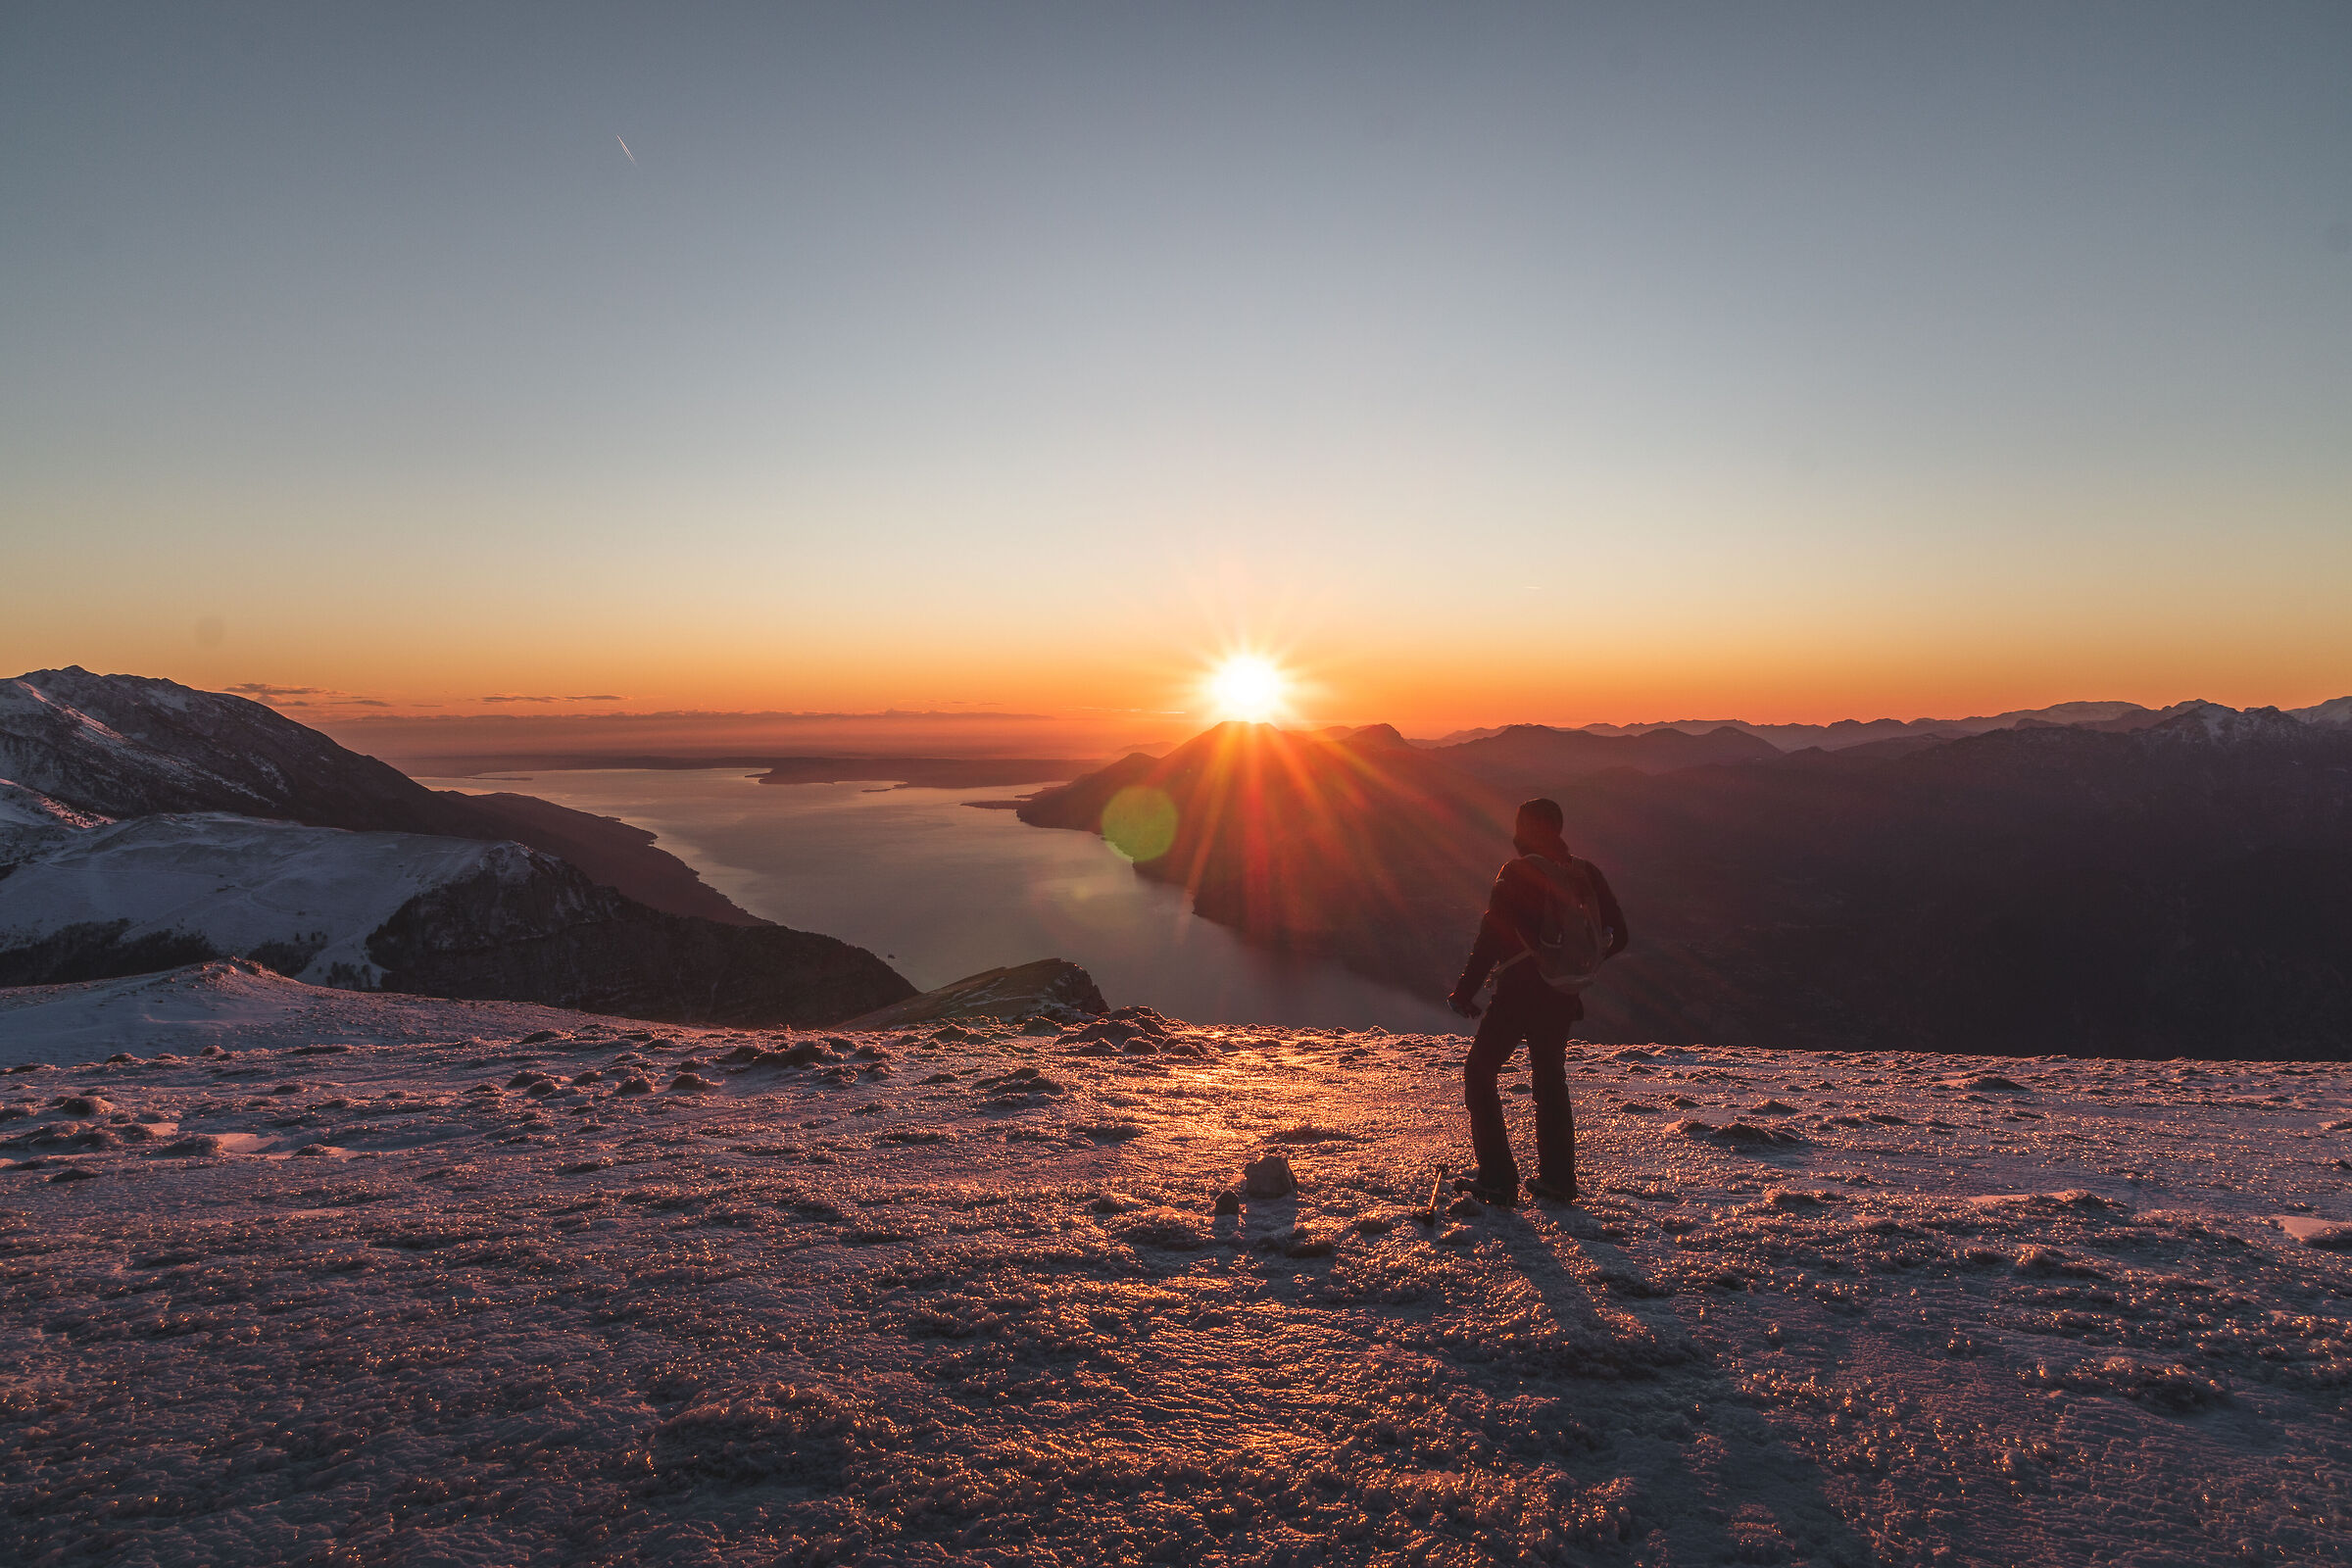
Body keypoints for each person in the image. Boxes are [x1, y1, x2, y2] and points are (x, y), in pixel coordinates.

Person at [1446, 798, 1629, 1205]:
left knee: (1480, 1072)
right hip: (1562, 996)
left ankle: (1497, 1177)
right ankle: (1559, 1181)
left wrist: (1464, 992)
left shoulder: (1517, 872)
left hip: (1518, 992)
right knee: (1550, 1079)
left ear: (1524, 829)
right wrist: (1575, 968)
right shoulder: (1586, 873)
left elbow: (1490, 938)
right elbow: (1621, 933)